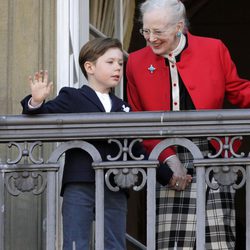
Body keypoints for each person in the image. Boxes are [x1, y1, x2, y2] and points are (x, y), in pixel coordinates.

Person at [126, 0, 250, 249]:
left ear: (179, 27)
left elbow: (238, 91)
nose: (151, 38)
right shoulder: (136, 62)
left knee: (218, 238)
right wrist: (167, 157)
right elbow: (137, 119)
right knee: (173, 241)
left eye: (158, 31)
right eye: (146, 30)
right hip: (166, 149)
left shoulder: (213, 49)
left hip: (213, 150)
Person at [21, 37, 132, 250]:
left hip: (115, 182)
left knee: (114, 243)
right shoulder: (73, 97)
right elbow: (42, 116)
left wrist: (167, 174)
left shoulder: (123, 105)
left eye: (120, 63)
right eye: (110, 62)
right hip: (80, 180)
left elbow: (137, 148)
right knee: (75, 242)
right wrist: (36, 101)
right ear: (89, 67)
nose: (117, 67)